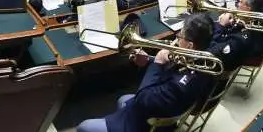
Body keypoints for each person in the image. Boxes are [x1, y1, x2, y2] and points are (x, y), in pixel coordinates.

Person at [76, 13, 216, 132]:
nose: (177, 37)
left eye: (181, 35)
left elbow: (142, 98)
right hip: (163, 110)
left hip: (147, 123)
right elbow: (170, 75)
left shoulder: (180, 86)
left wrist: (157, 64)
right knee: (122, 100)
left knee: (84, 127)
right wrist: (149, 61)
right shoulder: (204, 60)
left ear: (190, 46)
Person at [209, 0, 263, 72]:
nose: (238, 4)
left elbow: (212, 53)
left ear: (248, 9)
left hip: (218, 68)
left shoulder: (242, 39)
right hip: (225, 45)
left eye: (241, 2)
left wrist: (220, 25)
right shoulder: (251, 19)